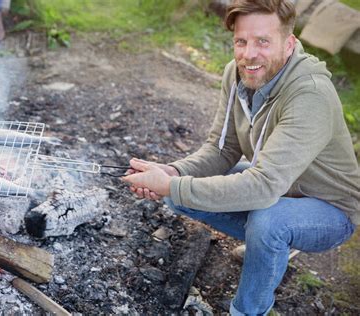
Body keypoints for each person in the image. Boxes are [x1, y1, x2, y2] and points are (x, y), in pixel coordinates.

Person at [122, 0, 359, 315]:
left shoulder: (310, 95)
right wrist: (172, 171)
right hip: (281, 185)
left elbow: (262, 187)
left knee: (268, 221)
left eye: (263, 41)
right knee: (181, 192)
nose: (249, 54)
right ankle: (272, 246)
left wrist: (171, 185)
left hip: (332, 210)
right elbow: (221, 149)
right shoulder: (237, 74)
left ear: (288, 44)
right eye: (241, 41)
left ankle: (248, 309)